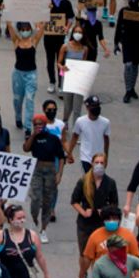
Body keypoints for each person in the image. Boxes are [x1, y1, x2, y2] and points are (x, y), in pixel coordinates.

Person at [22, 113, 64, 243]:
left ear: (45, 125)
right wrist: (33, 135)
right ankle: (35, 221)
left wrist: (59, 173)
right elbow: (26, 148)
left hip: (50, 169)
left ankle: (43, 229)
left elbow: (61, 157)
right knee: (35, 199)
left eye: (40, 124)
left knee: (47, 200)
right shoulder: (33, 137)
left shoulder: (53, 138)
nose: (38, 126)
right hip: (37, 169)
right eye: (36, 124)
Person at [70, 154, 118, 263]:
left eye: (102, 163)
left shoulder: (110, 183)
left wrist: (106, 211)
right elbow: (74, 201)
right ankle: (83, 275)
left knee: (99, 254)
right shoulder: (83, 181)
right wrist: (83, 212)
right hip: (85, 225)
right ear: (92, 163)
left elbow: (115, 204)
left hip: (101, 224)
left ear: (105, 164)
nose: (99, 165)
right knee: (84, 254)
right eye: (97, 162)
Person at [0, 204, 49, 278]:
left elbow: (39, 256)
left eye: (24, 217)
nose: (22, 220)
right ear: (10, 219)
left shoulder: (32, 235)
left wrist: (46, 273)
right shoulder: (0, 236)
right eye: (19, 218)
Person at [112, 0, 139, 103]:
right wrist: (116, 43)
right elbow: (119, 27)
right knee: (128, 65)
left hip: (138, 42)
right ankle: (128, 89)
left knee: (135, 66)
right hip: (127, 42)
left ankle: (132, 88)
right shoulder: (124, 11)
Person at [6, 21, 42, 133]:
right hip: (18, 75)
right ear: (20, 30)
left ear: (31, 30)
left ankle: (27, 127)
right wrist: (7, 13)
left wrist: (47, 11)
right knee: (17, 99)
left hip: (31, 74)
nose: (25, 31)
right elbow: (10, 26)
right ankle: (18, 117)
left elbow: (43, 27)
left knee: (30, 100)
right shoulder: (16, 41)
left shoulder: (34, 41)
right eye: (23, 29)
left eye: (27, 29)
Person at [66, 95, 110, 173]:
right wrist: (69, 153)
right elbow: (74, 137)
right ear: (87, 108)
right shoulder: (80, 121)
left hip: (99, 158)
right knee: (89, 179)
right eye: (93, 106)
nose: (96, 108)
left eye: (97, 105)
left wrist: (106, 156)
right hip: (85, 157)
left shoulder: (105, 122)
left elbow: (106, 139)